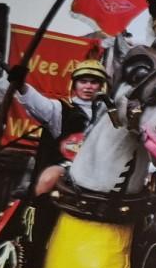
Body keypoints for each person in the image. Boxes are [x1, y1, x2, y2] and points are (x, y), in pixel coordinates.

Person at [14, 59, 110, 195]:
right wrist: (21, 86)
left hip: (99, 168)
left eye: (93, 82)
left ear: (101, 86)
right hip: (67, 166)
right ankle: (34, 208)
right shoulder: (60, 109)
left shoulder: (110, 114)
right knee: (48, 178)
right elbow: (37, 103)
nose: (88, 86)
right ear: (74, 84)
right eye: (83, 81)